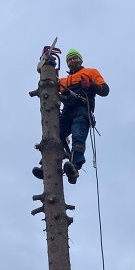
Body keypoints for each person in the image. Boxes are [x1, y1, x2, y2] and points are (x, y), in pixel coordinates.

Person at [33, 48, 109, 184]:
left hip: (82, 110)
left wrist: (91, 85)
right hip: (67, 112)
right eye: (70, 59)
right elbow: (49, 84)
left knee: (78, 136)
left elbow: (105, 90)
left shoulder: (90, 72)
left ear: (80, 60)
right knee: (54, 134)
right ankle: (45, 166)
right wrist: (47, 61)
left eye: (75, 58)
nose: (72, 60)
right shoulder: (64, 81)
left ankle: (74, 167)